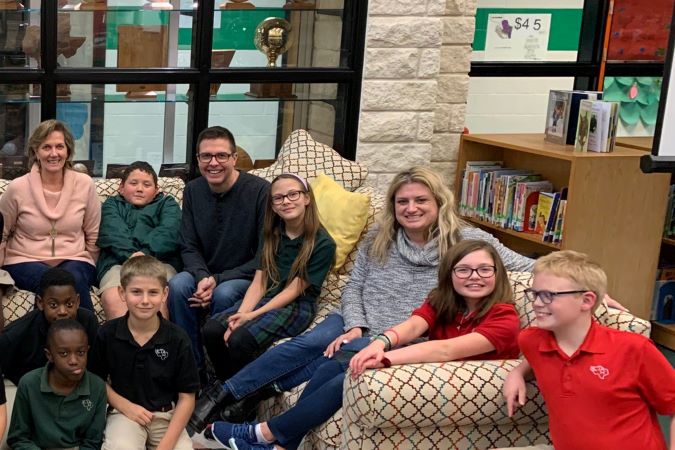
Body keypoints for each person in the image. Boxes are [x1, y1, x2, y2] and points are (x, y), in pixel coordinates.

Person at [188, 166, 533, 434]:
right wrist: (354, 323)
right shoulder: (378, 237)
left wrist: (575, 277)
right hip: (357, 320)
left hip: (404, 333)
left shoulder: (466, 241)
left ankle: (238, 399)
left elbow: (528, 265)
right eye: (402, 202)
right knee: (305, 344)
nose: (411, 209)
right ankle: (229, 397)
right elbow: (354, 286)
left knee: (323, 357)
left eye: (420, 200)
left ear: (439, 202)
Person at [199, 239, 521, 450]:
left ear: (498, 274)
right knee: (330, 365)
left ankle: (265, 433)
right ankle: (284, 444)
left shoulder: (504, 318)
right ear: (450, 275)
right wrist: (381, 341)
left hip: (452, 386)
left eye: (484, 270)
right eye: (463, 269)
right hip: (429, 371)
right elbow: (414, 325)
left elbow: (445, 350)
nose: (474, 276)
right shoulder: (445, 299)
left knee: (349, 373)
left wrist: (383, 357)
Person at [503, 250, 675, 450]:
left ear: (587, 301)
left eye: (548, 295)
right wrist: (517, 372)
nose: (537, 303)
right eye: (534, 294)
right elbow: (540, 358)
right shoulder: (530, 340)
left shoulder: (634, 348)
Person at [202, 173, 335, 382]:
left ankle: (241, 396)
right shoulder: (272, 235)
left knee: (240, 339)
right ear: (273, 206)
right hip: (266, 298)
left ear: (307, 198)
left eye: (293, 194)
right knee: (212, 329)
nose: (286, 201)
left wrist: (251, 317)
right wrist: (242, 315)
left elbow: (293, 291)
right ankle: (226, 387)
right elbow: (259, 281)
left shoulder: (322, 243)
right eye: (279, 198)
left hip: (295, 306)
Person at [168, 126, 269, 370]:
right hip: (204, 274)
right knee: (178, 284)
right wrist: (203, 277)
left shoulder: (260, 191)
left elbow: (264, 256)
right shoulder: (193, 189)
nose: (213, 163)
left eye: (221, 156)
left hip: (244, 277)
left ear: (235, 158)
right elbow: (188, 245)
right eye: (206, 156)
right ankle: (191, 368)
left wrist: (217, 279)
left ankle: (220, 369)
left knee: (224, 292)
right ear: (198, 160)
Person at [90, 255, 199, 450]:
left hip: (167, 417)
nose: (145, 300)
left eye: (153, 292)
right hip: (125, 414)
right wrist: (126, 407)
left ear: (165, 294)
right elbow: (95, 379)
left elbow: (187, 397)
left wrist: (165, 446)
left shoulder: (178, 338)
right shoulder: (107, 334)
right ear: (122, 293)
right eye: (136, 292)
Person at [0, 119, 100, 311]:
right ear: (36, 151)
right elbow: (2, 233)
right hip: (24, 260)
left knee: (73, 279)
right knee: (53, 283)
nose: (53, 154)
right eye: (46, 147)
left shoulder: (85, 184)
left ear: (68, 151)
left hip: (75, 259)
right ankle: (67, 340)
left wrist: (88, 261)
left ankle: (87, 340)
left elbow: (93, 235)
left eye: (59, 147)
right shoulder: (17, 187)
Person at [96, 161, 181, 319]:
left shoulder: (167, 204)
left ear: (156, 190)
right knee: (114, 297)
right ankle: (122, 342)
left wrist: (144, 255)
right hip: (117, 264)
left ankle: (156, 343)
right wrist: (132, 255)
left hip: (160, 263)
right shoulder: (111, 204)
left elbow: (169, 232)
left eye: (147, 184)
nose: (139, 189)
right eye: (133, 183)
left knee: (158, 298)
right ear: (121, 188)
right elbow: (113, 232)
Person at [7, 319, 107, 450]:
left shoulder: (97, 386)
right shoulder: (29, 383)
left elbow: (92, 442)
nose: (74, 361)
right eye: (64, 354)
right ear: (50, 355)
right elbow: (18, 438)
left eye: (81, 353)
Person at [0, 267, 98, 386]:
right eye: (53, 305)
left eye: (69, 304)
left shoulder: (88, 321)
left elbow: (96, 368)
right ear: (40, 303)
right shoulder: (19, 333)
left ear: (77, 301)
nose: (62, 311)